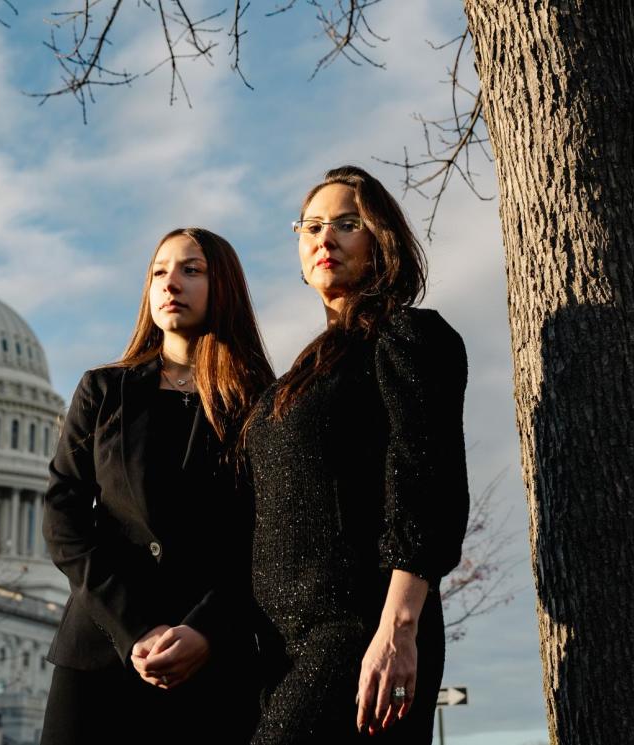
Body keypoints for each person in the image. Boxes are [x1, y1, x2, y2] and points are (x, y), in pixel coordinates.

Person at [246, 166, 470, 744]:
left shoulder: (408, 337)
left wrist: (398, 631)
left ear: (381, 240)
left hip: (360, 631)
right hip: (278, 643)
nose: (325, 238)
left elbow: (427, 482)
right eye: (312, 225)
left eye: (348, 224)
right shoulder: (296, 376)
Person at [41, 227, 274, 744]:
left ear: (225, 287)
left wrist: (207, 630)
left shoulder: (263, 402)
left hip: (211, 661)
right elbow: (64, 518)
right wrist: (136, 628)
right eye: (159, 271)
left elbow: (265, 536)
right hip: (101, 651)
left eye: (192, 270)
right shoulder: (104, 390)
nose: (171, 283)